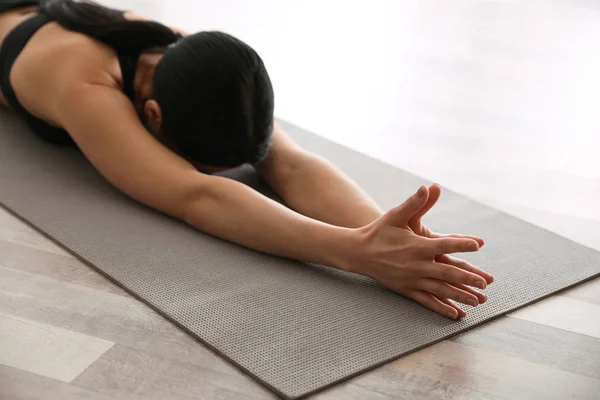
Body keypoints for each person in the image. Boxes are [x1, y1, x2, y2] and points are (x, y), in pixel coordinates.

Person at [0, 0, 493, 319]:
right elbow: (197, 195)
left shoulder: (195, 57)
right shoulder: (81, 84)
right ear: (152, 116)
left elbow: (290, 163)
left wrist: (395, 238)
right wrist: (357, 253)